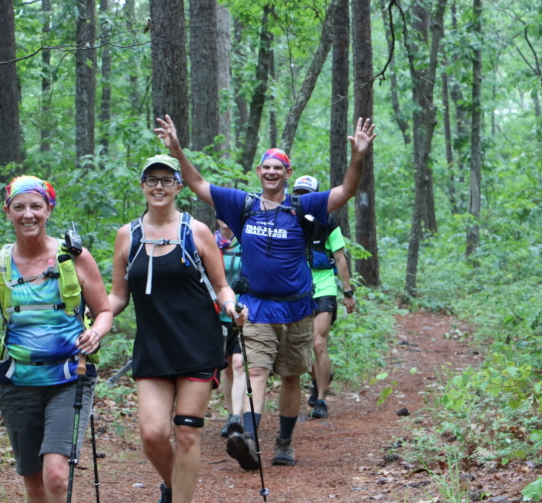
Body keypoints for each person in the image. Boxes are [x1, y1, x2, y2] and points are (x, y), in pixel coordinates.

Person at [153, 115, 376, 469]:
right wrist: (176, 149)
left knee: (290, 376)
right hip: (257, 307)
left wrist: (358, 157)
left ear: (288, 174)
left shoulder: (304, 207)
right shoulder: (243, 206)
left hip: (298, 309)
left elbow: (346, 191)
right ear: (258, 171)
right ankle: (249, 443)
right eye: (266, 167)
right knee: (254, 371)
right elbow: (197, 184)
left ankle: (284, 442)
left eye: (279, 167)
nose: (272, 172)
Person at [0, 175, 113, 503]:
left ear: (49, 210)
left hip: (71, 377)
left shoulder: (74, 257)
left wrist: (95, 333)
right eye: (19, 207)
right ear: (7, 211)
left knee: (56, 474)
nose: (28, 214)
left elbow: (104, 311)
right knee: (33, 482)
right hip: (17, 383)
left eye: (36, 206)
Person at [107, 154, 247, 503]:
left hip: (197, 344)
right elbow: (117, 296)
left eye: (166, 180)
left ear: (178, 187)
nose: (158, 186)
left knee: (186, 433)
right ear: (142, 186)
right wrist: (94, 321)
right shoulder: (128, 236)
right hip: (153, 347)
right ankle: (175, 486)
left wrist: (231, 306)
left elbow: (221, 286)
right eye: (152, 180)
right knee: (153, 434)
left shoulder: (196, 232)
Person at [292, 175, 355, 419]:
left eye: (308, 193)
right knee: (303, 347)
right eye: (298, 193)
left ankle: (320, 399)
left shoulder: (329, 222)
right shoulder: (289, 222)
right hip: (297, 290)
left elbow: (339, 257)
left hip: (324, 287)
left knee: (319, 343)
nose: (303, 198)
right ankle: (318, 378)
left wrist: (348, 292)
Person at [216, 219, 247, 437]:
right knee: (226, 367)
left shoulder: (245, 241)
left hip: (243, 311)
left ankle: (238, 416)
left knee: (239, 363)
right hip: (216, 313)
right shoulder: (209, 243)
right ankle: (230, 414)